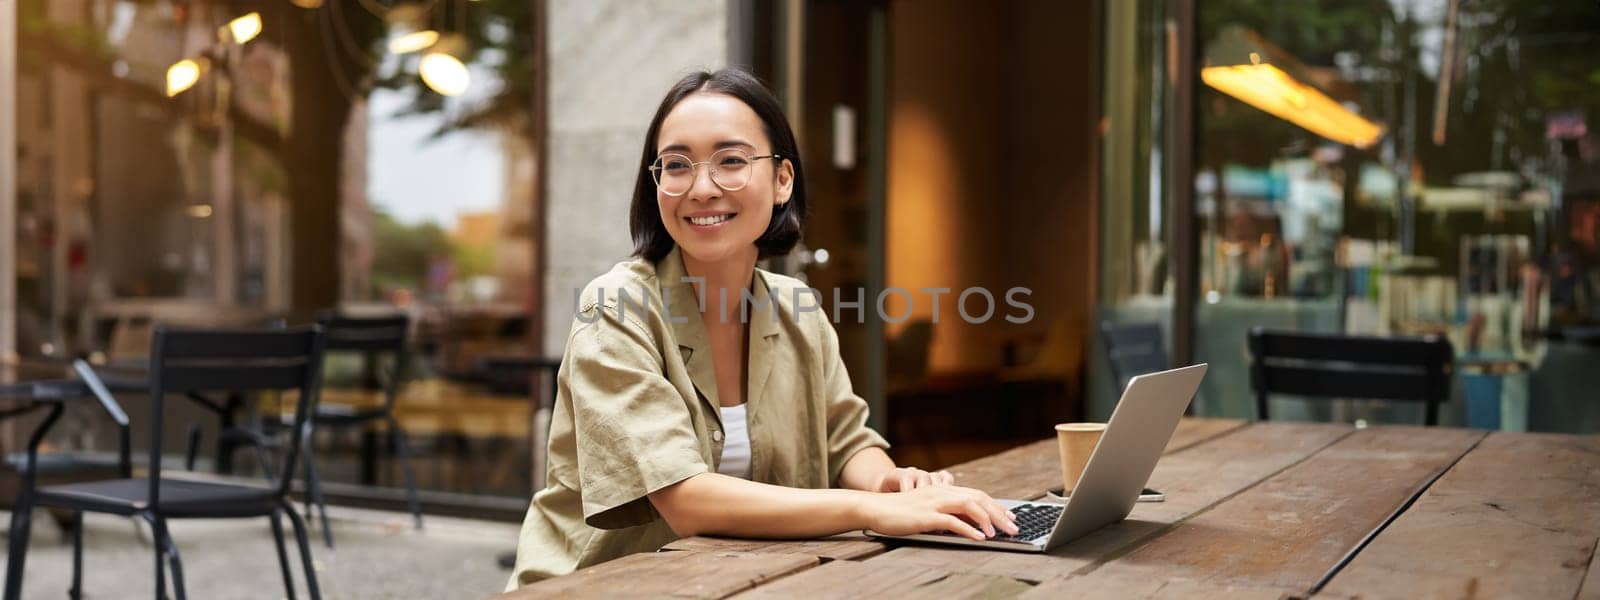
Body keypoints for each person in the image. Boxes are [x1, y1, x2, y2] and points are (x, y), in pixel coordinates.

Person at [506, 68, 1017, 589]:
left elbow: (846, 440)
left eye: (731, 160)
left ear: (782, 180)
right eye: (677, 165)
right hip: (603, 585)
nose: (702, 188)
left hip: (749, 580)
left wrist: (890, 482)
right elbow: (686, 500)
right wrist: (873, 511)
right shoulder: (616, 307)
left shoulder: (797, 306)